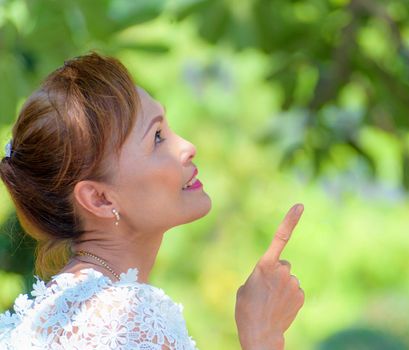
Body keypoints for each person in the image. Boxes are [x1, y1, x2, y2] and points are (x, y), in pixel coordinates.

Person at [0, 52, 305, 349]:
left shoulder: (68, 312)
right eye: (157, 137)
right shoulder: (125, 319)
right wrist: (261, 335)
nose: (187, 146)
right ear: (100, 198)